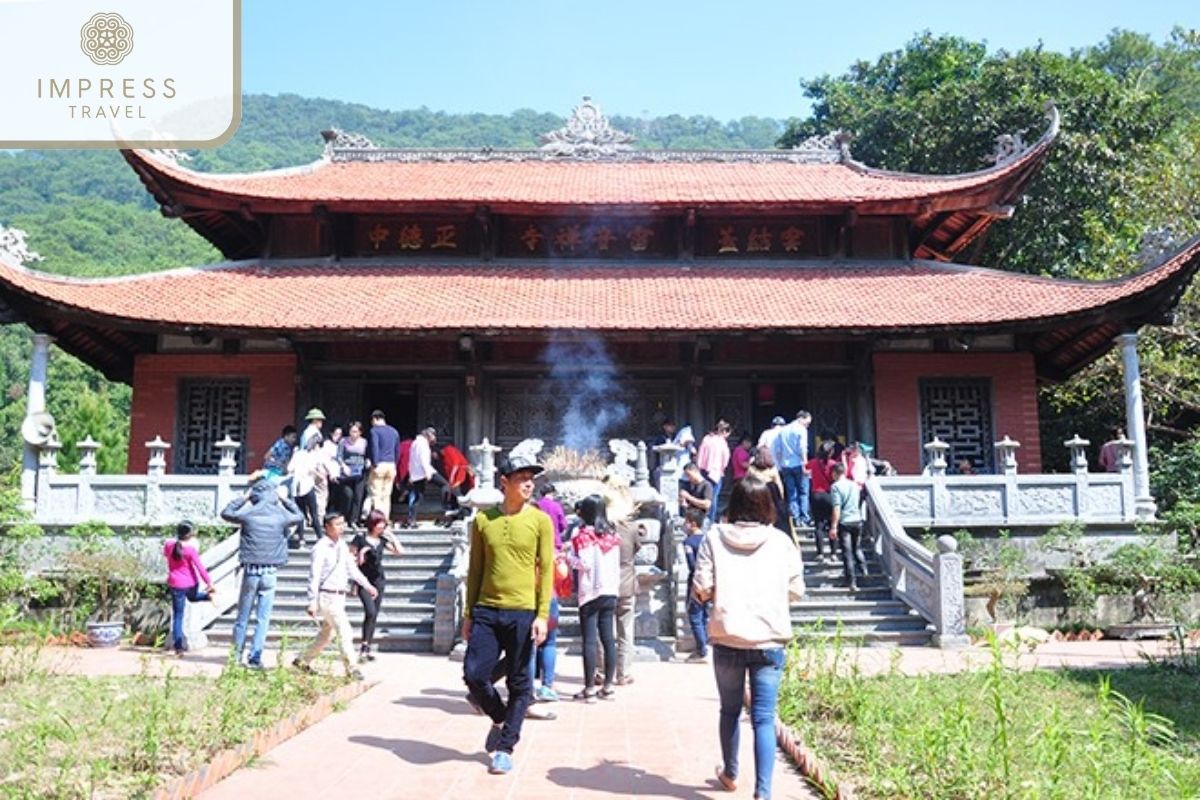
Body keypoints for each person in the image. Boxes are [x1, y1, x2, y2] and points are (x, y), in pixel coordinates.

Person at [692, 478, 805, 800]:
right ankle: (763, 793)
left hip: (728, 637)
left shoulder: (713, 537)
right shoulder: (781, 541)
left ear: (734, 504)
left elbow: (702, 587)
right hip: (768, 639)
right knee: (764, 719)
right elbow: (796, 589)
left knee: (729, 711)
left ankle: (730, 773)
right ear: (767, 505)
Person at [462, 454, 554, 776]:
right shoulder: (483, 520)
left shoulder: (541, 520)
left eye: (532, 478)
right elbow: (476, 569)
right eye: (521, 478)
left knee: (519, 682)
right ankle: (501, 720)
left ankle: (505, 747)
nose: (529, 483)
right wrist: (468, 612)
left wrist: (542, 614)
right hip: (487, 608)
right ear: (504, 482)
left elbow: (546, 570)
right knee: (474, 675)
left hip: (523, 611)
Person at [221, 474, 303, 669]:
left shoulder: (248, 514)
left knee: (243, 617)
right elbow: (299, 516)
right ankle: (255, 657)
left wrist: (245, 498)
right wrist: (284, 500)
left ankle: (236, 656)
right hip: (270, 572)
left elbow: (226, 512)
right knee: (263, 618)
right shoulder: (281, 516)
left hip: (251, 570)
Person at [294, 512, 378, 680]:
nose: (341, 527)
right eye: (337, 524)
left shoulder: (342, 545)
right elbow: (314, 575)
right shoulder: (320, 548)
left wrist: (367, 585)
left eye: (343, 523)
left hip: (340, 596)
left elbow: (351, 569)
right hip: (327, 596)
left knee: (327, 633)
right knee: (344, 631)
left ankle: (302, 660)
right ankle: (352, 667)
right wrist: (312, 601)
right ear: (327, 527)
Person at [567, 494, 621, 702]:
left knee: (589, 640)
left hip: (590, 591)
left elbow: (585, 563)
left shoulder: (582, 535)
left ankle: (589, 688)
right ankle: (608, 686)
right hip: (610, 590)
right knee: (608, 639)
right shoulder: (612, 535)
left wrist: (569, 558)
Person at [350, 509, 403, 662]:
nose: (382, 526)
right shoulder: (359, 539)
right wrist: (360, 556)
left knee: (374, 615)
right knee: (370, 611)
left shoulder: (382, 541)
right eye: (380, 523)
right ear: (372, 523)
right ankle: (364, 646)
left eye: (383, 523)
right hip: (363, 580)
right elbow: (349, 558)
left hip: (378, 579)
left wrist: (392, 536)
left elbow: (400, 551)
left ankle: (366, 647)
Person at [162, 520, 215, 656]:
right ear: (189, 535)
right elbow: (200, 567)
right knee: (192, 597)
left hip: (175, 583)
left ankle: (178, 647)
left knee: (178, 616)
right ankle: (207, 596)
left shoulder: (169, 545)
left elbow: (166, 555)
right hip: (190, 582)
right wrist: (209, 582)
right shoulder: (190, 550)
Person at [829, 462, 868, 592]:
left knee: (847, 553)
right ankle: (864, 570)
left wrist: (833, 526)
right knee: (857, 547)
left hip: (845, 522)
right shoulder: (854, 485)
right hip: (857, 520)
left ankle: (851, 582)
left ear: (835, 473)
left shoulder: (835, 487)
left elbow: (836, 507)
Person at [613, 507, 640, 686]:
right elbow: (637, 548)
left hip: (605, 585)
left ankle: (601, 670)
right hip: (626, 583)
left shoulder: (603, 527)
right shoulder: (631, 529)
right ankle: (623, 672)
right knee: (625, 630)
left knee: (603, 631)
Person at [773, 410, 813, 527]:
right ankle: (804, 517)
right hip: (799, 464)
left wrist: (780, 464)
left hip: (786, 465)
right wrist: (805, 465)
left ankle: (795, 517)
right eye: (807, 422)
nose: (808, 425)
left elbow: (778, 450)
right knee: (803, 492)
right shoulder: (801, 430)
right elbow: (802, 448)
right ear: (801, 418)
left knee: (792, 492)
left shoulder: (783, 430)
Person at [681, 508, 710, 663]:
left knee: (695, 616)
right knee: (705, 615)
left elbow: (692, 564)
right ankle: (705, 643)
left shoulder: (688, 542)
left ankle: (702, 649)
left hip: (695, 582)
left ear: (692, 524)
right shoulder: (707, 539)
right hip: (708, 582)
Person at [288, 434, 325, 548]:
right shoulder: (314, 455)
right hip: (307, 486)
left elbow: (290, 469)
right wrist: (320, 475)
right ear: (316, 445)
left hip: (296, 488)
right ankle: (320, 537)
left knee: (301, 514)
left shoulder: (297, 454)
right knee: (314, 513)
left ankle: (301, 539)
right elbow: (313, 471)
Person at [746, 446, 789, 536]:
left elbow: (747, 483)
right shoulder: (772, 469)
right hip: (772, 500)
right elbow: (779, 486)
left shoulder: (751, 469)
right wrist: (781, 499)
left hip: (756, 499)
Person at [367, 410, 400, 522]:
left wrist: (374, 463)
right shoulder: (394, 431)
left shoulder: (374, 431)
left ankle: (378, 519)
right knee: (386, 494)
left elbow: (374, 447)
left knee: (376, 493)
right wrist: (395, 463)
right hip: (391, 465)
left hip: (379, 464)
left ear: (375, 418)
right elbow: (397, 450)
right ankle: (386, 518)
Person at [697, 419, 732, 522]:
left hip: (704, 470)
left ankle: (702, 519)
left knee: (704, 495)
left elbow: (700, 455)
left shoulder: (706, 439)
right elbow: (725, 458)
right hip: (716, 472)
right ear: (725, 432)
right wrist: (723, 468)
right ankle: (711, 520)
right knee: (714, 497)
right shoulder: (722, 442)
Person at [405, 427, 440, 528]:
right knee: (418, 496)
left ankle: (411, 519)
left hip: (416, 473)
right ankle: (448, 508)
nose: (434, 438)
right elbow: (423, 460)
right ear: (428, 435)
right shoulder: (423, 444)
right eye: (433, 435)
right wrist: (427, 472)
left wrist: (411, 473)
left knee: (416, 496)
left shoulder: (415, 443)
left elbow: (411, 459)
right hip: (422, 473)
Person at [807, 441, 836, 562]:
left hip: (815, 495)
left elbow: (805, 469)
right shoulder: (833, 464)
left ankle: (820, 553)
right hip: (828, 494)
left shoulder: (813, 462)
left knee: (818, 525)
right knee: (832, 524)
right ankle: (833, 553)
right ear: (830, 452)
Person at [337, 421, 369, 525]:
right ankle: (345, 517)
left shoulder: (364, 442)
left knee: (358, 496)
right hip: (347, 474)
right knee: (348, 495)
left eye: (356, 432)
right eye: (351, 431)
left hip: (359, 474)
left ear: (360, 432)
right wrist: (343, 466)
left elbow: (368, 455)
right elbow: (339, 456)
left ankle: (354, 520)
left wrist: (368, 461)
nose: (353, 434)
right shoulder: (343, 441)